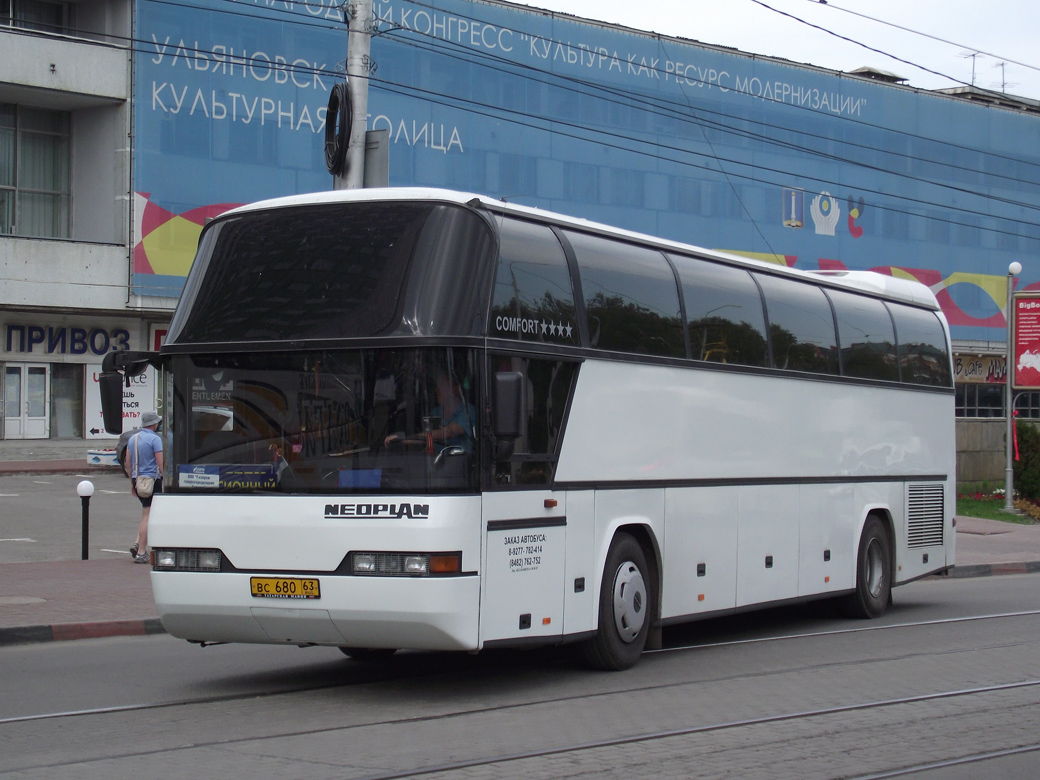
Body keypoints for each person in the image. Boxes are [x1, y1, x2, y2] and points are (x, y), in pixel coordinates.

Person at [385, 372, 476, 454]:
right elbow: (429, 438)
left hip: (461, 466)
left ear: (456, 389)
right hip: (435, 465)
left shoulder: (468, 411)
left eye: (441, 386)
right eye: (436, 386)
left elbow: (448, 432)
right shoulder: (436, 412)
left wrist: (406, 440)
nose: (436, 390)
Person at [124, 411, 164, 564]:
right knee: (148, 515)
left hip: (137, 479)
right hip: (152, 481)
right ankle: (141, 552)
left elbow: (128, 462)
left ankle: (137, 542)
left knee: (146, 513)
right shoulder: (155, 439)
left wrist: (132, 483)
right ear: (154, 424)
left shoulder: (133, 439)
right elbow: (160, 463)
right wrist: (165, 478)